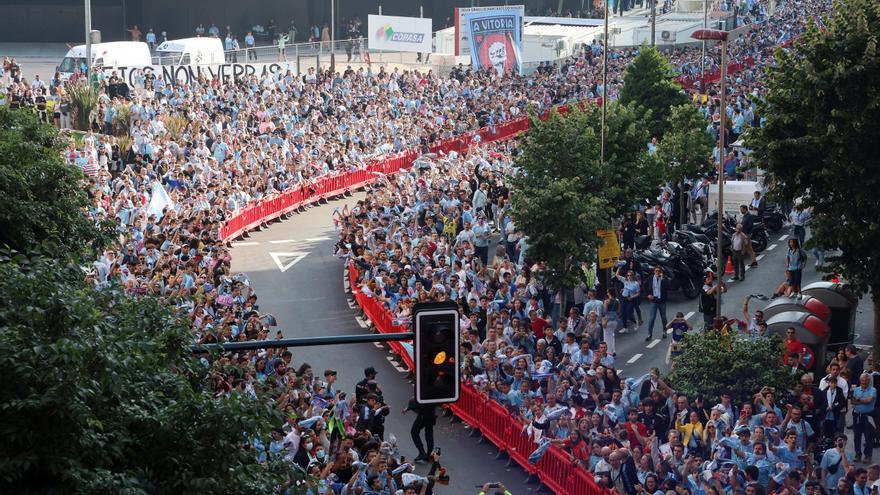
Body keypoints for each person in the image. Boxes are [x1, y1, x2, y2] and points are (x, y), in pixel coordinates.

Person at [402, 397, 436, 463]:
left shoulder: (420, 392)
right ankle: (428, 454)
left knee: (414, 432)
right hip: (431, 414)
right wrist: (408, 408)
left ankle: (422, 452)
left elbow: (415, 402)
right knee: (429, 433)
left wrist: (409, 407)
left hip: (423, 415)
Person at [852, 373, 877, 463]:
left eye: (866, 381)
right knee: (857, 436)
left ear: (869, 381)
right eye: (862, 381)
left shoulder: (873, 390)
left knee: (869, 437)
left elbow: (869, 401)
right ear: (860, 380)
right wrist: (862, 400)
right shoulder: (856, 389)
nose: (864, 383)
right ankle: (858, 454)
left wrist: (859, 399)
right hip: (857, 415)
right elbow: (853, 401)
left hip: (868, 415)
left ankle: (868, 455)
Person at [645, 266, 669, 341]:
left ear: (661, 272)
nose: (657, 272)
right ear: (654, 271)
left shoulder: (664, 279)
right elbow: (644, 286)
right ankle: (649, 334)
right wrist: (648, 294)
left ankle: (664, 331)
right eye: (656, 271)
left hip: (662, 301)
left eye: (659, 271)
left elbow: (668, 287)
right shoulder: (650, 278)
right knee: (652, 318)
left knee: (663, 317)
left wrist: (662, 279)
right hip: (654, 301)